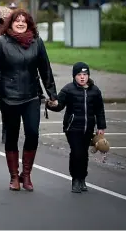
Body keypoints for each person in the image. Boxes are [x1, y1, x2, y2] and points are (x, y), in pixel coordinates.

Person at [0, 9, 58, 192]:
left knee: (33, 133)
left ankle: (27, 175)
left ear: (29, 24)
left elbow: (45, 69)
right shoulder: (0, 43)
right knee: (12, 135)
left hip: (32, 95)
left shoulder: (37, 42)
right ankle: (14, 176)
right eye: (17, 20)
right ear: (10, 23)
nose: (20, 23)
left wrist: (52, 94)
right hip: (8, 96)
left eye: (24, 21)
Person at [46, 62, 106, 193]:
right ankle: (75, 180)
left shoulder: (95, 91)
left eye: (85, 74)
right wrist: (51, 104)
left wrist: (101, 126)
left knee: (84, 154)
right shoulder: (68, 89)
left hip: (88, 128)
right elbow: (59, 105)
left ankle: (82, 178)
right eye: (79, 74)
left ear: (88, 75)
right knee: (76, 152)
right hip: (72, 128)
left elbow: (99, 110)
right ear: (74, 76)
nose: (82, 77)